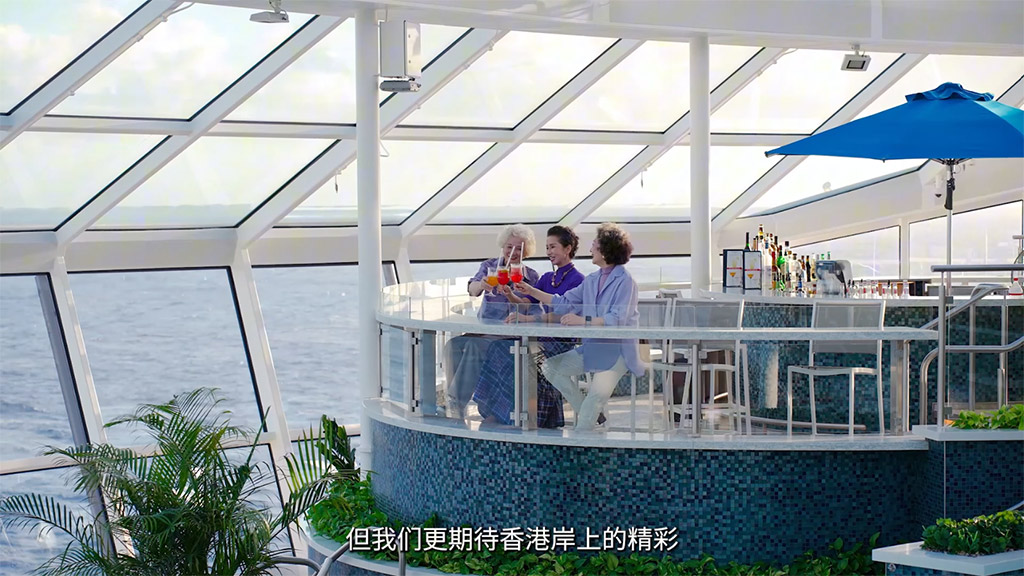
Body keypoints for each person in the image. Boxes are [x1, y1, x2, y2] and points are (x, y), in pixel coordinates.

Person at [515, 222, 642, 430]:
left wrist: (584, 321)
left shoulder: (626, 281)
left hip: (618, 352)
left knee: (591, 408)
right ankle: (588, 412)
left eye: (594, 245)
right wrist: (531, 290)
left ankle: (584, 432)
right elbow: (564, 302)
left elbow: (618, 318)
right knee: (550, 367)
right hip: (594, 349)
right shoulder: (592, 280)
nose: (590, 249)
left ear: (606, 249)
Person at [472, 225, 585, 427]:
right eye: (547, 247)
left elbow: (565, 315)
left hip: (561, 340)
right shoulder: (547, 277)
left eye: (553, 247)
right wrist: (509, 294)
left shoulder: (578, 280)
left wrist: (528, 319)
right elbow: (525, 303)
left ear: (568, 249)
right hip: (542, 336)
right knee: (503, 349)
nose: (549, 252)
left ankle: (529, 416)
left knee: (512, 352)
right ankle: (503, 412)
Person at [444, 224, 540, 419]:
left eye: (519, 248)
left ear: (526, 251)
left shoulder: (530, 276)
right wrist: (482, 284)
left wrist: (513, 293)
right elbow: (472, 290)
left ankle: (456, 403)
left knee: (473, 346)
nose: (513, 252)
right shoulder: (490, 267)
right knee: (452, 345)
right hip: (485, 329)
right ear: (502, 246)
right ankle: (456, 400)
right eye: (509, 246)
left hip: (508, 333)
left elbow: (528, 309)